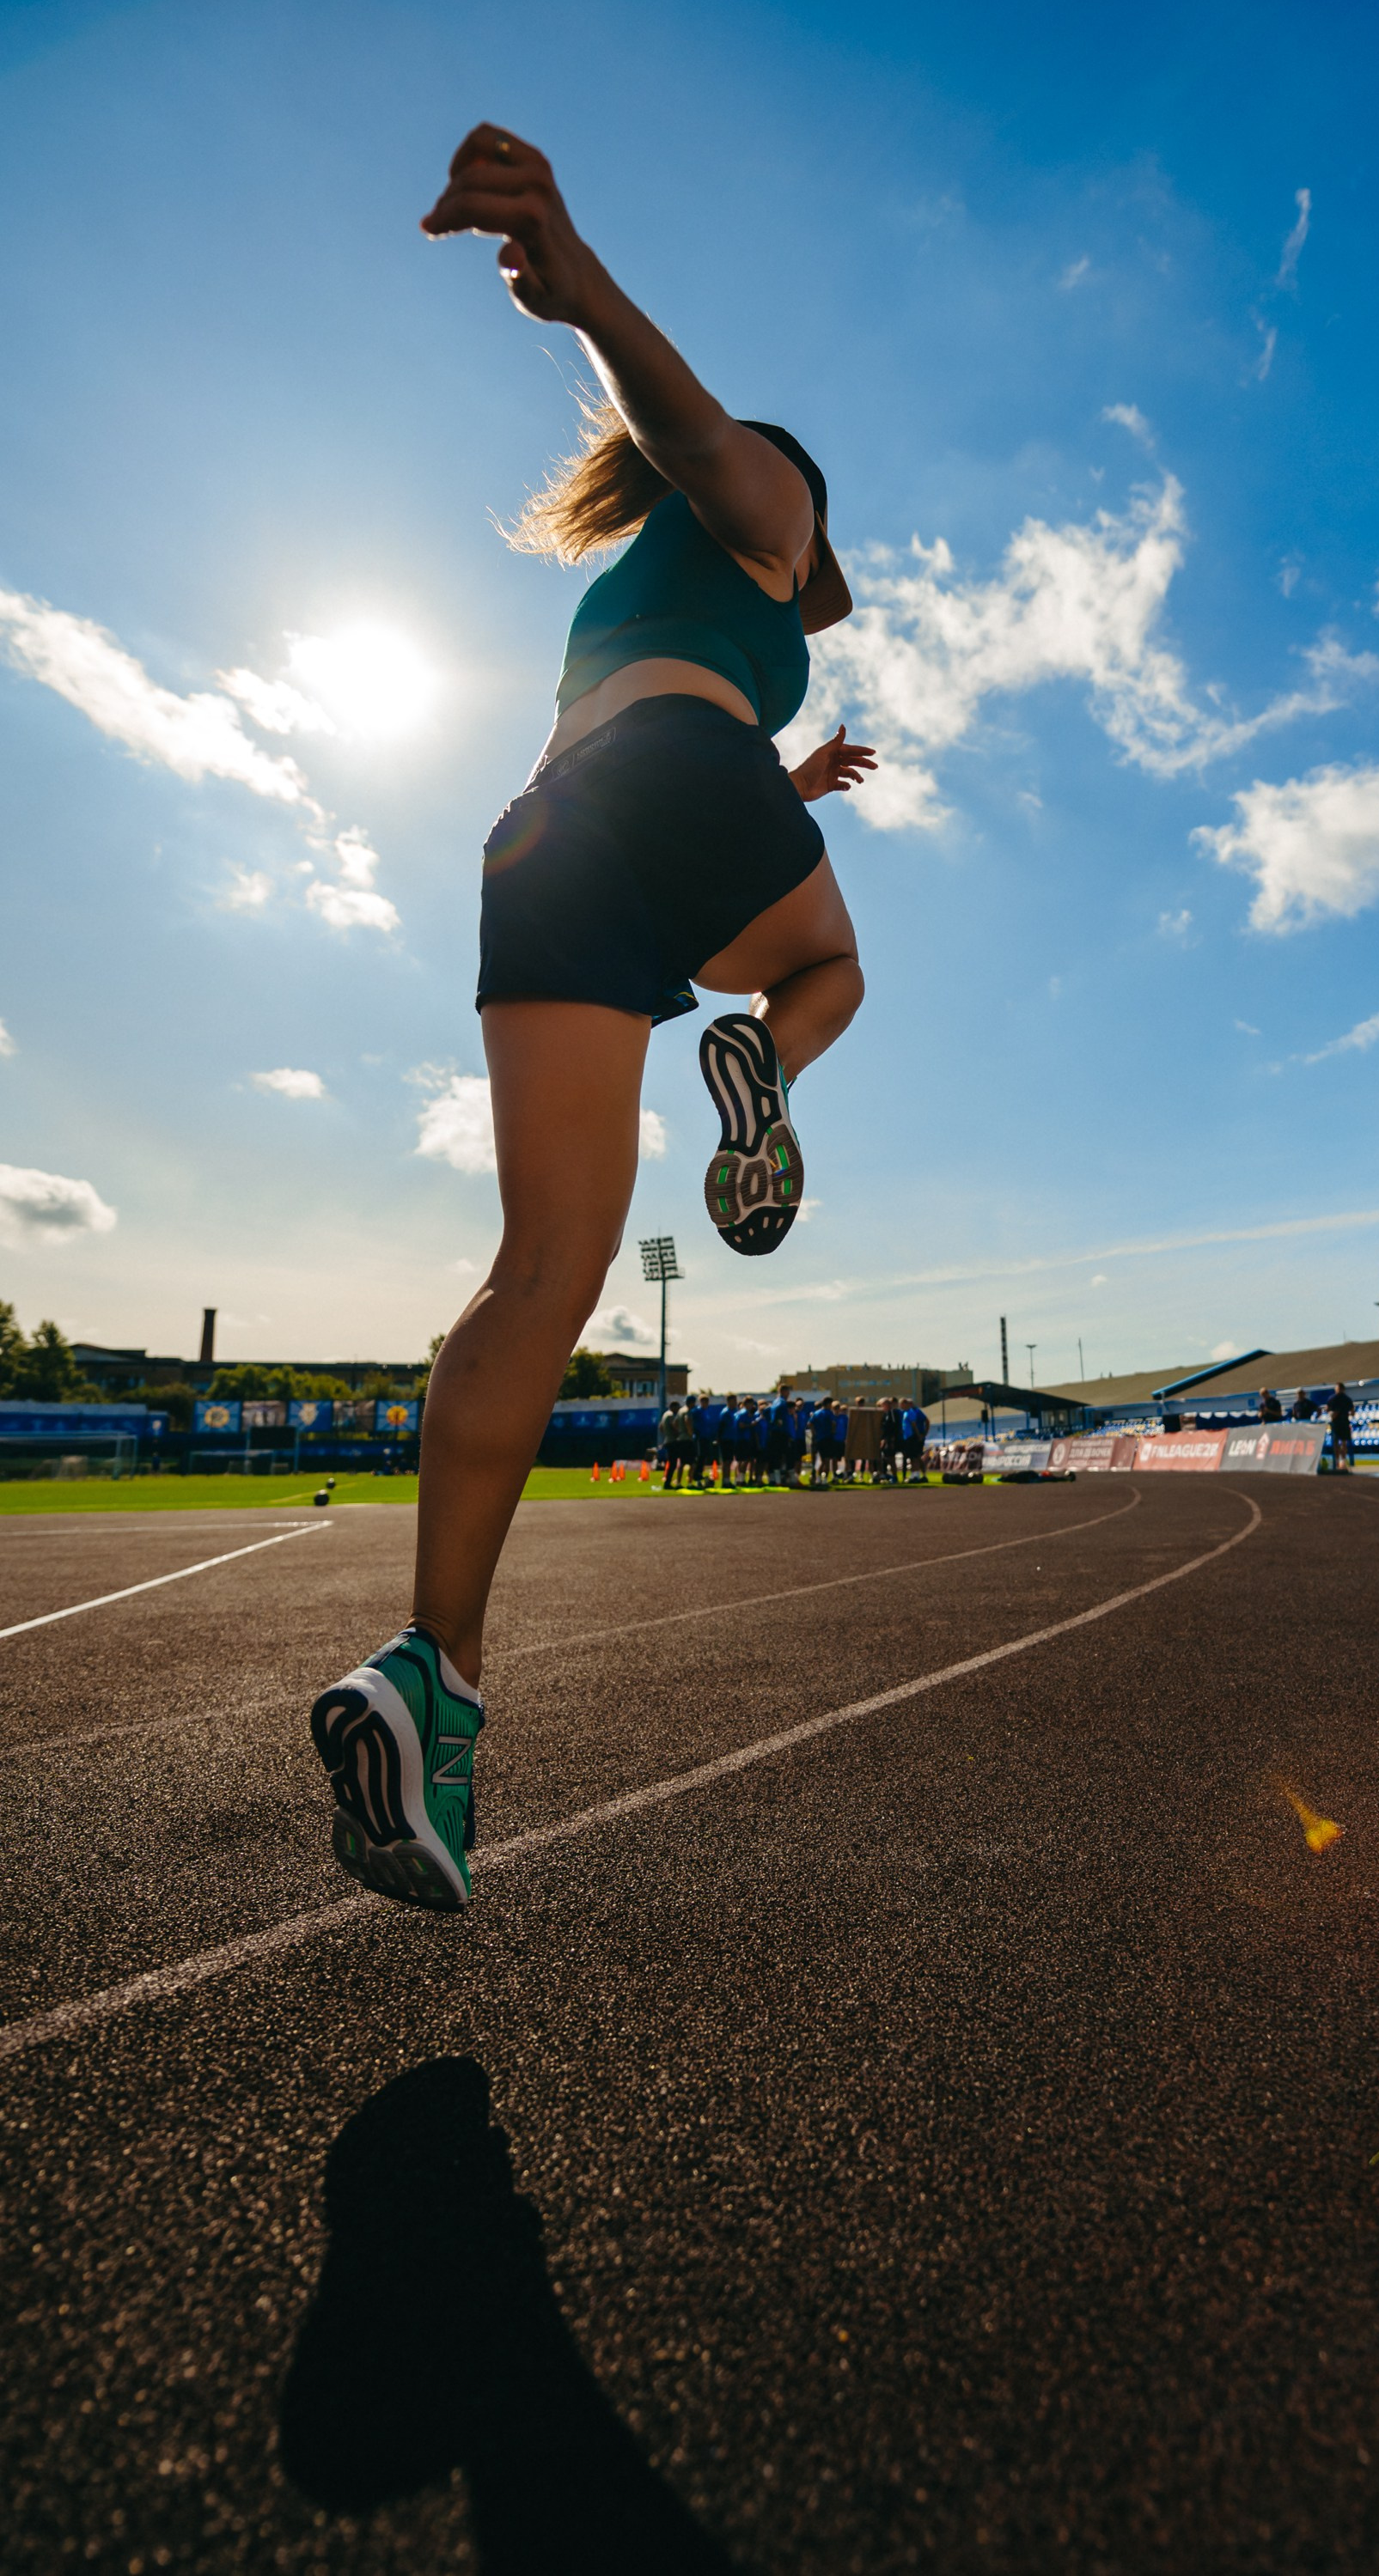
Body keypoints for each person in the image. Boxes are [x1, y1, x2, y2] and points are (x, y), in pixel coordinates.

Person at [308, 121, 880, 1915]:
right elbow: (699, 434)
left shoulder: (631, 588)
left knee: (540, 1270)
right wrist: (575, 274)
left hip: (555, 836)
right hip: (693, 798)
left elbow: (653, 735)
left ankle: (431, 1675)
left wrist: (793, 774)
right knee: (828, 972)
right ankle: (761, 1060)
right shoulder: (767, 509)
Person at [1327, 1381, 1355, 1473]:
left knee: (1338, 1442)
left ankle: (1339, 1461)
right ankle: (1341, 1460)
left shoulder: (1334, 1398)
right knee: (1342, 1442)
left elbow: (1328, 1409)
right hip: (1343, 1422)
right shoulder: (1347, 1399)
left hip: (1337, 1423)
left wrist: (1333, 1414)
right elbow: (1352, 1412)